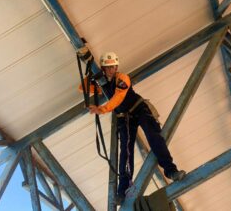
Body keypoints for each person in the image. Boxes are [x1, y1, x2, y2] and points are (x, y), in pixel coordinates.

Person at [79, 51, 185, 202]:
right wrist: (91, 74)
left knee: (154, 137)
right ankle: (123, 190)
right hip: (125, 118)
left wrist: (101, 109)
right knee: (126, 152)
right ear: (103, 68)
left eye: (113, 67)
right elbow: (81, 88)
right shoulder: (102, 83)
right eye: (108, 67)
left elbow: (118, 98)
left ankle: (171, 171)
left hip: (139, 109)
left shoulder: (122, 78)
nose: (112, 70)